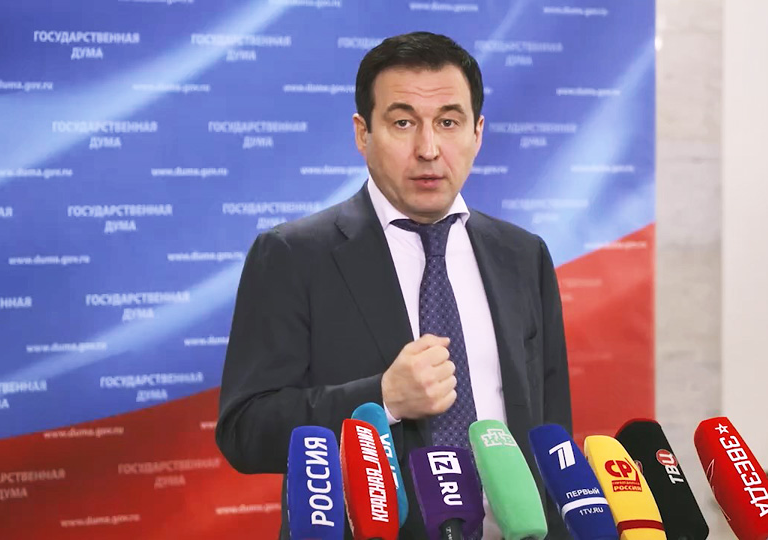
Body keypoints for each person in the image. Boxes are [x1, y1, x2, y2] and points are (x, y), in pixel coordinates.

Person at [215, 31, 572, 539]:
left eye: (448, 122)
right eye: (403, 122)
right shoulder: (294, 255)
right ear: (362, 133)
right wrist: (382, 399)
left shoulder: (522, 255)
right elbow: (246, 431)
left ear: (477, 132)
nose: (428, 149)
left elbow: (551, 435)